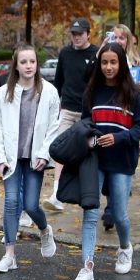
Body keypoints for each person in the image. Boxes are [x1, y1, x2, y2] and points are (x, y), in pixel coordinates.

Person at [70, 43, 140, 280]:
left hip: (122, 162)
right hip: (96, 162)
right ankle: (87, 267)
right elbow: (84, 122)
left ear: (121, 63)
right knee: (90, 213)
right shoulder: (92, 92)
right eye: (104, 62)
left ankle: (125, 248)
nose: (109, 67)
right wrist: (90, 137)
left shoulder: (135, 94)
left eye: (113, 62)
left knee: (120, 215)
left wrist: (118, 138)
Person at [0, 43, 60, 273]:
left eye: (32, 61)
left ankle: (44, 230)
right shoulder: (3, 94)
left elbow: (54, 126)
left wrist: (44, 154)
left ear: (36, 64)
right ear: (16, 65)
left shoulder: (49, 92)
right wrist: (0, 157)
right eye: (24, 62)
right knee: (11, 202)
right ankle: (9, 255)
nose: (28, 66)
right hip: (11, 158)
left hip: (35, 158)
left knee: (30, 205)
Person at [100, 24, 140, 232]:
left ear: (129, 41)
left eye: (123, 38)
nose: (119, 41)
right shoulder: (104, 61)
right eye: (115, 37)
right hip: (108, 119)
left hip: (129, 121)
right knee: (107, 175)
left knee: (121, 168)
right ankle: (112, 202)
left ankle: (113, 208)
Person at [46, 17, 98, 212]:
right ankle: (57, 194)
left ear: (88, 34)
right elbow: (59, 81)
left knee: (87, 153)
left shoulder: (96, 54)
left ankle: (88, 194)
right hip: (67, 110)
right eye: (74, 34)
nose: (76, 37)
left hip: (88, 113)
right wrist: (56, 104)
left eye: (80, 34)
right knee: (60, 150)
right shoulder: (65, 54)